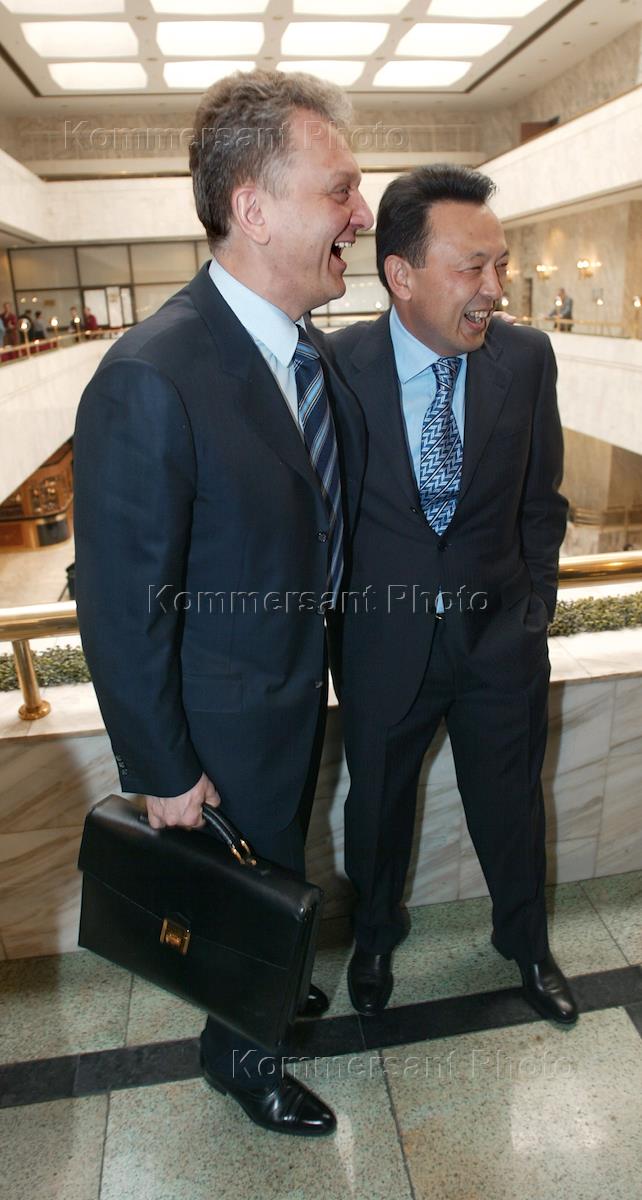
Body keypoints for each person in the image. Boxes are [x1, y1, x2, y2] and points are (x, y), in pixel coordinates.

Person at [73, 69, 372, 1137]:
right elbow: (121, 604)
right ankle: (244, 1059)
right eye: (339, 191)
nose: (362, 214)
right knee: (251, 886)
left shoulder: (308, 353)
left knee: (273, 881)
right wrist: (161, 769)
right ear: (254, 208)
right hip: (217, 731)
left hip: (291, 699)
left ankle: (265, 982)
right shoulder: (151, 374)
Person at [328, 165, 578, 1028]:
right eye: (472, 268)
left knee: (511, 809)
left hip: (500, 644)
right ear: (401, 275)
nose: (495, 288)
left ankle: (527, 944)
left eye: (498, 264)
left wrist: (533, 614)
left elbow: (542, 503)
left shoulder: (526, 359)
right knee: (376, 810)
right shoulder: (334, 368)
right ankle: (373, 936)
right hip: (382, 648)